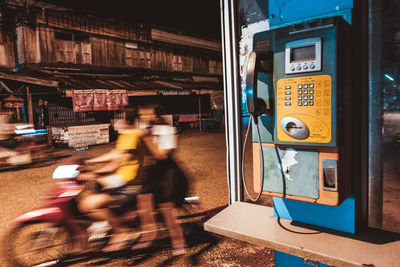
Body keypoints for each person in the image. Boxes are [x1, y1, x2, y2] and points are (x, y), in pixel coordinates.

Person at [77, 109, 144, 252]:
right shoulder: (126, 135)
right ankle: (105, 221)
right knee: (98, 183)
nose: (113, 121)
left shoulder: (132, 135)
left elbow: (118, 162)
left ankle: (122, 230)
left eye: (117, 118)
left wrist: (93, 173)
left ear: (126, 120)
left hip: (128, 182)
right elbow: (114, 154)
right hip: (122, 178)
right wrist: (90, 161)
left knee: (87, 205)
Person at [131, 105, 188, 256]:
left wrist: (147, 138)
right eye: (140, 115)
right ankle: (150, 234)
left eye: (145, 114)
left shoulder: (168, 130)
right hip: (152, 172)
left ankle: (179, 240)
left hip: (168, 173)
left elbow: (161, 155)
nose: (142, 117)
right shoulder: (144, 129)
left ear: (155, 115)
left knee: (166, 208)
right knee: (143, 201)